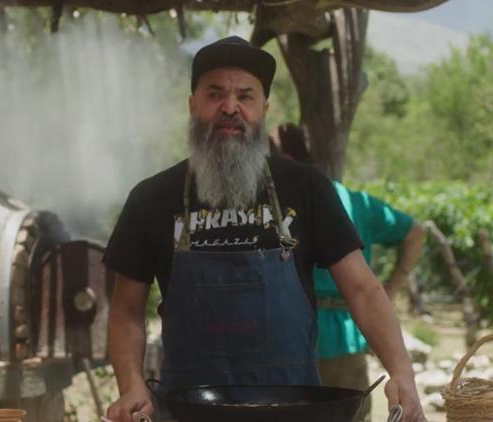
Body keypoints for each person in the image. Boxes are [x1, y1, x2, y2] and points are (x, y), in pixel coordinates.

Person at [102, 36, 425, 422]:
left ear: (264, 109)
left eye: (245, 96)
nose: (230, 107)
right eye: (215, 94)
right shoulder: (152, 197)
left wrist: (401, 371)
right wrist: (131, 385)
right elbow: (125, 312)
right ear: (193, 106)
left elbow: (362, 289)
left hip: (296, 411)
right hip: (187, 411)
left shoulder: (306, 188)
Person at [272, 123, 424, 421]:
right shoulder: (352, 200)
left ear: (284, 158)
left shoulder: (277, 205)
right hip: (345, 338)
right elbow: (415, 232)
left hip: (293, 338)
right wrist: (393, 286)